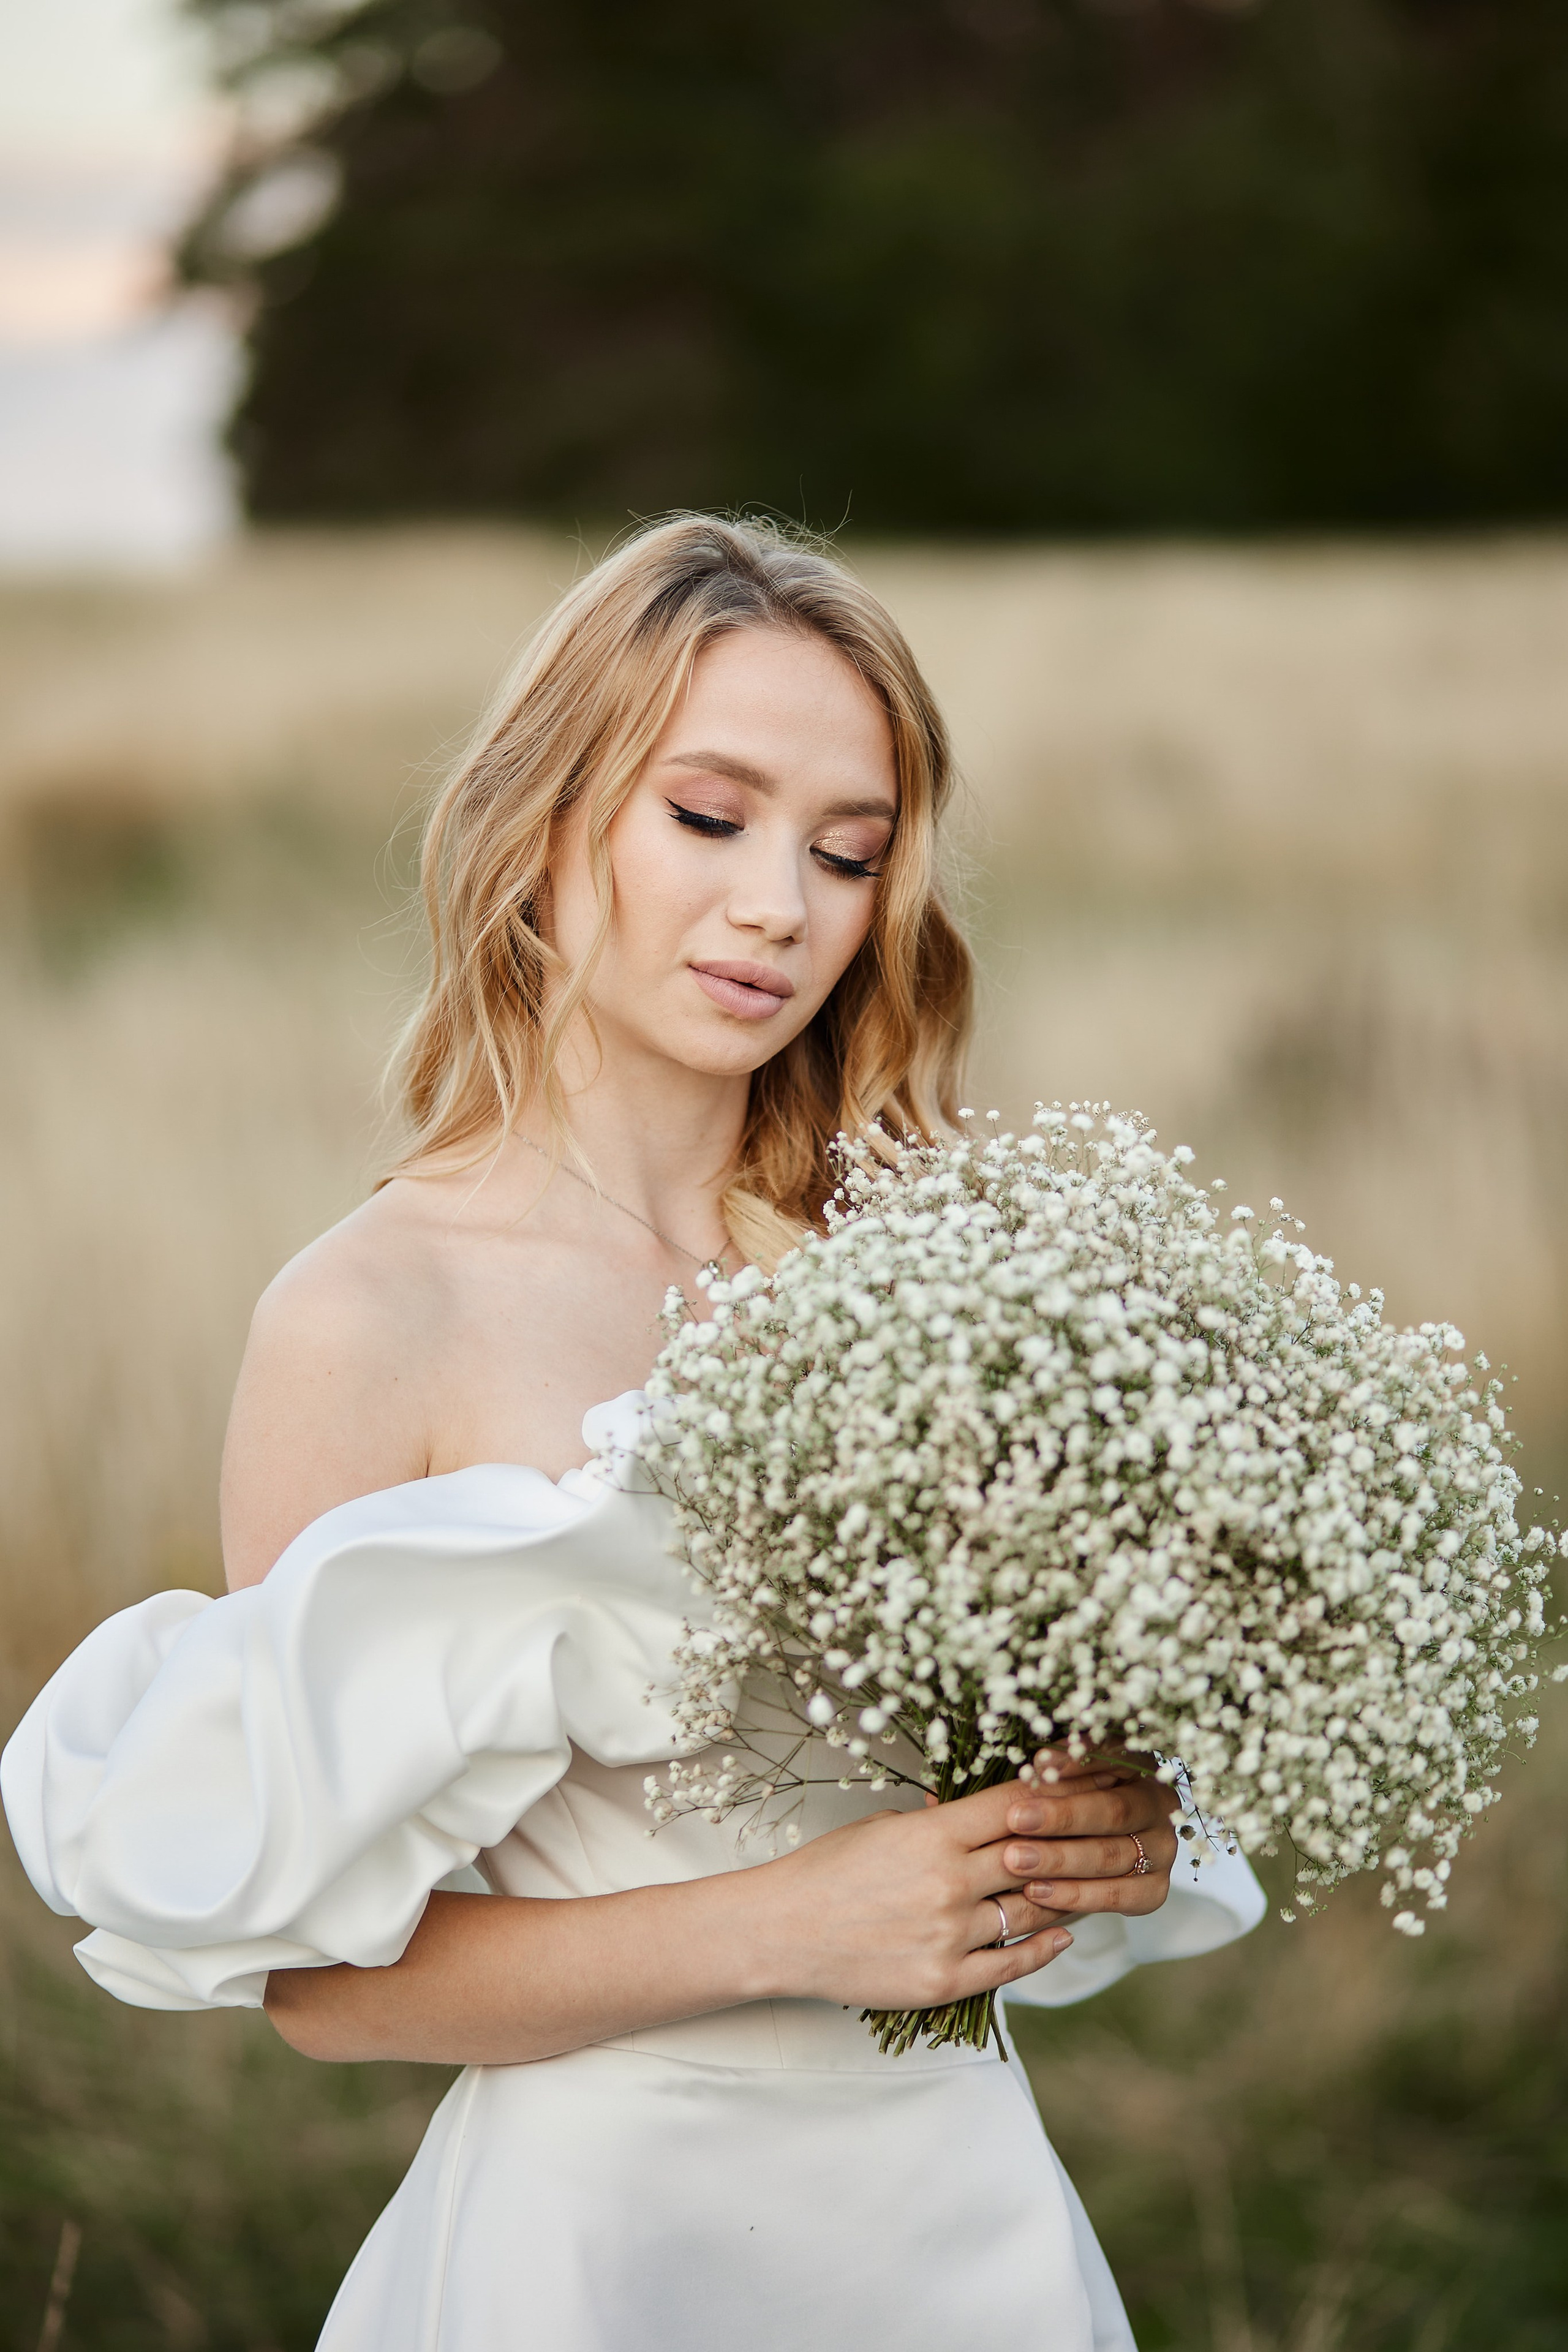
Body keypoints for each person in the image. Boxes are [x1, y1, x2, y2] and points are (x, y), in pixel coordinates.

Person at [2, 516, 1264, 2351]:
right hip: (604, 2251)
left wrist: (1089, 1831)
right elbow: (331, 1991)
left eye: (850, 854)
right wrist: (796, 1927)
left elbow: (1007, 1775)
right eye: (708, 817)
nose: (781, 908)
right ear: (547, 816)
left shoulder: (941, 1271)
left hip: (961, 2217)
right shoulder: (370, 1319)